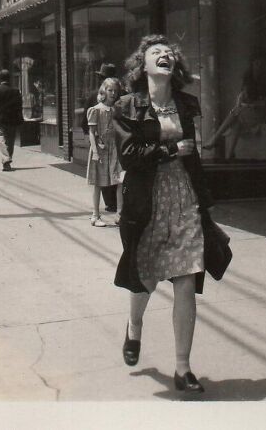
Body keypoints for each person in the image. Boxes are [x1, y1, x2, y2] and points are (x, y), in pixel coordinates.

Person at [113, 34, 221, 394]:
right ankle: (134, 326)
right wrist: (169, 150)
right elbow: (128, 156)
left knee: (187, 276)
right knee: (144, 275)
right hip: (147, 200)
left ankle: (183, 368)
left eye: (169, 53)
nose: (165, 56)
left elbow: (194, 154)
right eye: (156, 52)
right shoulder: (127, 105)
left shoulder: (187, 105)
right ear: (141, 65)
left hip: (184, 196)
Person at [202, 54, 266, 159]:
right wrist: (241, 102)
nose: (258, 66)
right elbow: (241, 96)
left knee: (236, 114)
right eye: (256, 63)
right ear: (252, 64)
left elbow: (265, 103)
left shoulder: (265, 81)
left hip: (258, 114)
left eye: (260, 64)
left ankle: (215, 139)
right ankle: (229, 156)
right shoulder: (248, 78)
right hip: (245, 113)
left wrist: (250, 105)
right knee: (236, 124)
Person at [86, 77, 124, 227]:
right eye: (110, 90)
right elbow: (91, 132)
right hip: (100, 150)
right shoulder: (96, 110)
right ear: (104, 91)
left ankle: (120, 214)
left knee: (120, 180)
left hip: (115, 149)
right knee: (98, 183)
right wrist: (95, 151)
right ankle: (95, 215)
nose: (113, 93)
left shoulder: (117, 110)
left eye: (115, 91)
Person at [82, 63, 119, 212]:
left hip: (107, 140)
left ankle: (111, 203)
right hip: (102, 140)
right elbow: (89, 121)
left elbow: (85, 122)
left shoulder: (93, 95)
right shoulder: (101, 98)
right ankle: (112, 204)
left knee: (104, 175)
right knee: (109, 173)